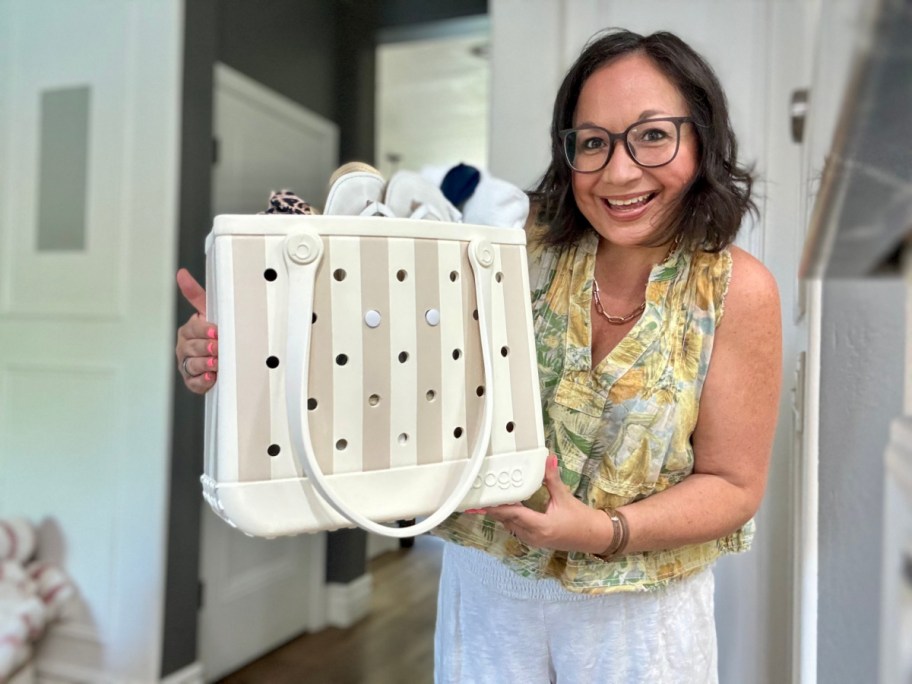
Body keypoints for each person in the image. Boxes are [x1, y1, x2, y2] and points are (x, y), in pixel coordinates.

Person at [175, 27, 781, 684]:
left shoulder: (735, 289)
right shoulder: (504, 246)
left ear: (702, 137)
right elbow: (378, 348)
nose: (620, 170)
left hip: (640, 620)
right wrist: (247, 344)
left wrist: (601, 531)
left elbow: (733, 487)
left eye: (653, 135)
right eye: (593, 143)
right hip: (491, 591)